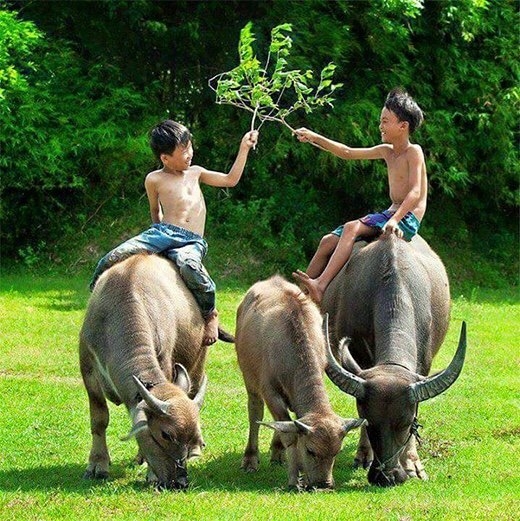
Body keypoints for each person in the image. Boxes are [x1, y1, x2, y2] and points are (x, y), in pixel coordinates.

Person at [90, 120, 258, 345]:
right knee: (113, 257)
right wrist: (154, 243)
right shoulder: (154, 179)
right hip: (162, 232)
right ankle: (95, 301)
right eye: (183, 151)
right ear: (165, 158)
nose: (190, 154)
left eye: (189, 147)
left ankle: (210, 314)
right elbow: (154, 210)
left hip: (191, 241)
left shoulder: (196, 173)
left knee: (190, 266)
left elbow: (230, 180)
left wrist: (244, 148)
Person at [292, 88, 426, 304]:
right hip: (391, 212)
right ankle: (300, 298)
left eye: (385, 121)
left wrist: (394, 220)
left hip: (407, 218)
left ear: (403, 126)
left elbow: (415, 193)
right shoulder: (387, 151)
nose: (380, 126)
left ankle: (321, 284)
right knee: (327, 241)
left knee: (351, 227)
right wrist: (314, 137)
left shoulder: (414, 152)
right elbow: (347, 152)